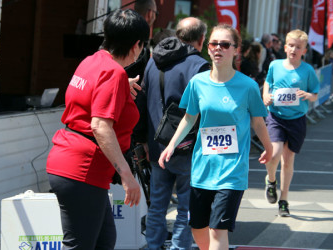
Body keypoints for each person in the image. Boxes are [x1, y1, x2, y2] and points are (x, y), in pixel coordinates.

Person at [159, 24, 273, 249]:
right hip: (203, 169)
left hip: (232, 172)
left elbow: (258, 122)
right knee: (198, 229)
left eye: (225, 44)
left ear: (235, 50)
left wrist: (268, 148)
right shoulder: (197, 83)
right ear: (207, 48)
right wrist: (171, 145)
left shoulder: (248, 86)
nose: (218, 48)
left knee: (218, 230)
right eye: (213, 43)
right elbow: (189, 118)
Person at [46, 9, 149, 249]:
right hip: (83, 170)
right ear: (136, 45)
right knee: (80, 245)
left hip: (74, 165)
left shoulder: (92, 61)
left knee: (104, 241)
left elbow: (93, 92)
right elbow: (101, 126)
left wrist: (122, 84)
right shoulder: (113, 74)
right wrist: (126, 175)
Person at [141, 17, 210, 250]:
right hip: (187, 146)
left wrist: (143, 139)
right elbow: (205, 110)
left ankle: (153, 246)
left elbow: (141, 101)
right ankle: (180, 247)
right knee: (186, 206)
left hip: (155, 143)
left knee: (157, 204)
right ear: (202, 39)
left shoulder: (153, 60)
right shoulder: (198, 65)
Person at [262, 29, 320, 217]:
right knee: (274, 154)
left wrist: (308, 95)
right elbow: (268, 83)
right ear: (285, 47)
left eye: (299, 47)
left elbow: (315, 95)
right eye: (292, 46)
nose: (294, 49)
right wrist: (265, 96)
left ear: (304, 50)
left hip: (297, 120)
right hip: (276, 117)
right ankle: (271, 182)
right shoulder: (275, 65)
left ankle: (284, 200)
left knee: (288, 161)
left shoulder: (308, 70)